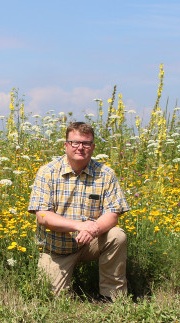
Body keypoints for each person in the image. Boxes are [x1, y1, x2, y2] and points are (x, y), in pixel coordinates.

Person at [28, 122, 130, 301]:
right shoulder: (47, 172)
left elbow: (114, 213)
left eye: (86, 143)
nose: (81, 148)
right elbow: (43, 216)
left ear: (93, 147)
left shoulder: (105, 174)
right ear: (66, 145)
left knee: (117, 235)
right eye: (75, 143)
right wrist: (80, 226)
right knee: (49, 299)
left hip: (91, 242)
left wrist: (93, 229)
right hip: (56, 248)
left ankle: (112, 296)